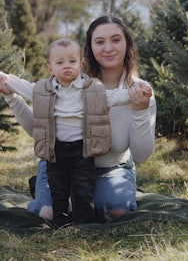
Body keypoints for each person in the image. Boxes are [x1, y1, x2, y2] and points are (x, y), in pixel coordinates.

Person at [0, 15, 156, 223]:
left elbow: (142, 154)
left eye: (116, 39)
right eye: (99, 41)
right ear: (89, 48)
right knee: (47, 213)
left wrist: (139, 111)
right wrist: (12, 96)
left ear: (127, 43)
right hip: (60, 162)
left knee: (115, 213)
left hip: (111, 169)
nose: (108, 47)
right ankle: (48, 185)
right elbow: (40, 129)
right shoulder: (68, 80)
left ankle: (90, 194)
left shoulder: (139, 90)